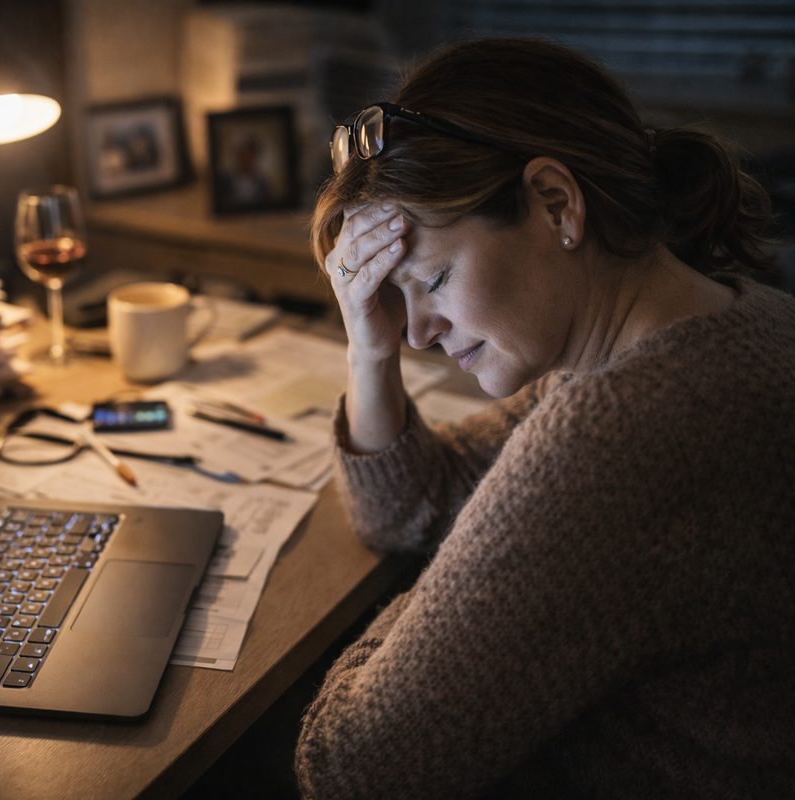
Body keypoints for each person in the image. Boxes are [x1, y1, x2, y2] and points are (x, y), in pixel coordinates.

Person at [295, 37, 795, 798]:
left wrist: (453, 591)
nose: (418, 331)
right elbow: (413, 505)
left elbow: (351, 768)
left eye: (433, 277)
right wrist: (371, 348)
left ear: (557, 204)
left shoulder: (625, 432)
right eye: (397, 298)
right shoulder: (723, 318)